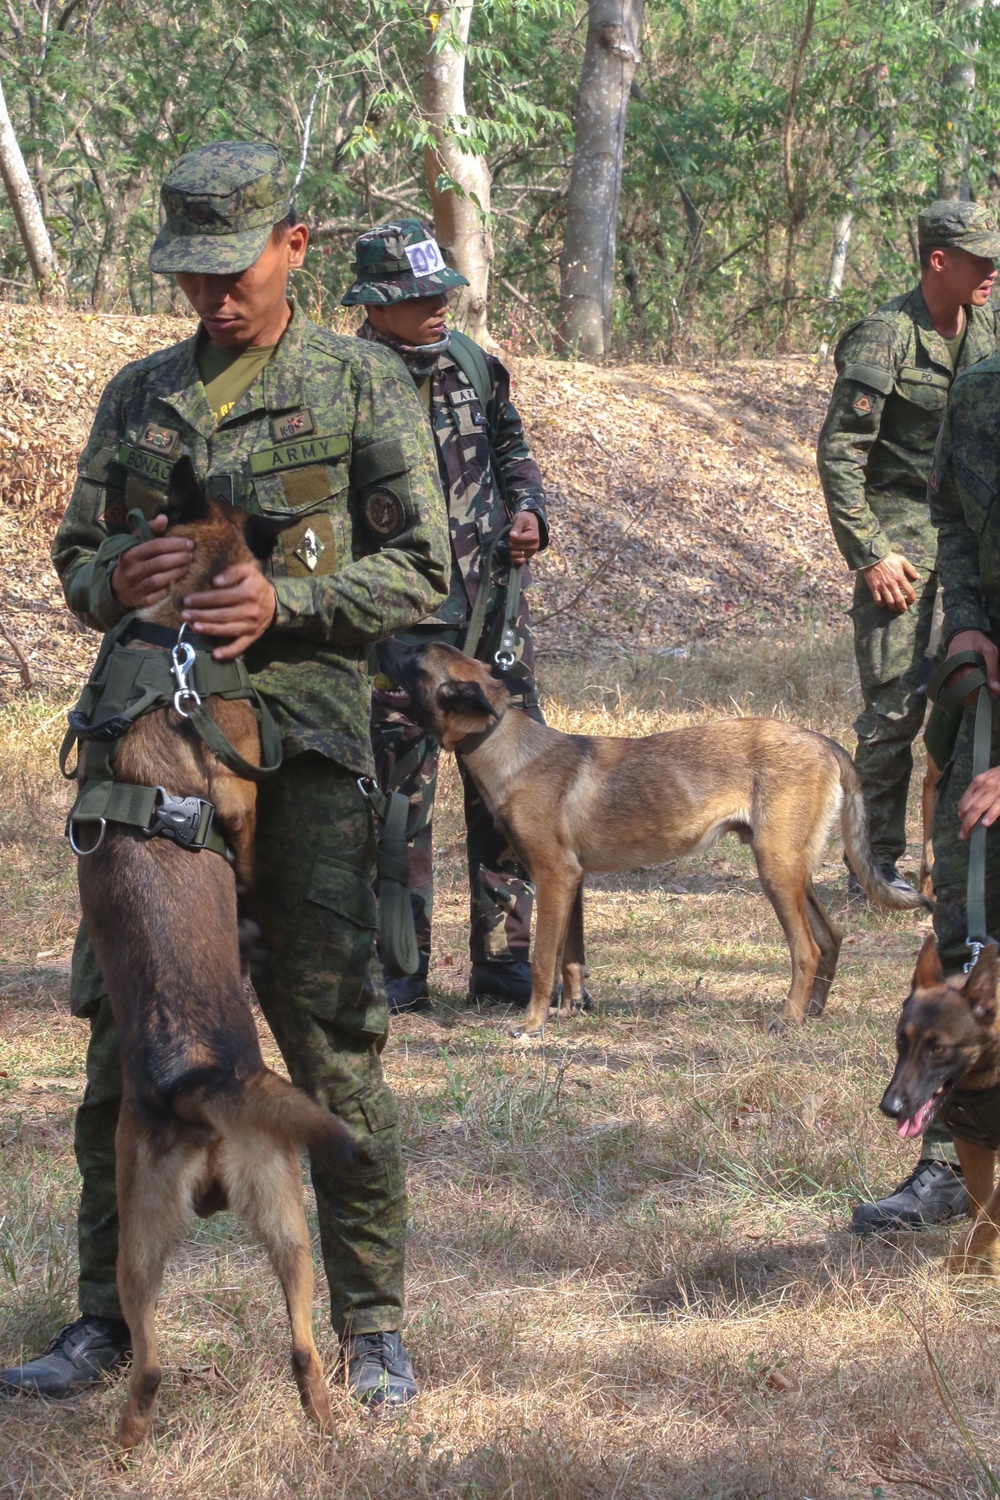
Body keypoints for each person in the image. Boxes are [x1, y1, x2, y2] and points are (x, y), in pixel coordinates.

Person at [0, 143, 450, 1407]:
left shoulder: (360, 383)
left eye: (232, 270)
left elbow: (426, 571)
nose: (213, 298)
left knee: (328, 1034)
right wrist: (114, 583)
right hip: (148, 761)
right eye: (191, 277)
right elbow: (78, 555)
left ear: (295, 246)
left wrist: (292, 599)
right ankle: (103, 1321)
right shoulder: (139, 395)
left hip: (298, 749)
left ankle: (368, 1328)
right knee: (124, 1043)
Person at [817, 200, 1000, 1233]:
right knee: (968, 914)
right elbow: (955, 530)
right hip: (977, 656)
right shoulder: (975, 392)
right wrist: (966, 624)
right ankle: (953, 1158)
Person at [341, 219, 551, 1014]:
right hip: (403, 636)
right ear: (375, 304)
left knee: (516, 792)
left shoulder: (473, 363)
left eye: (440, 293)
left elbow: (513, 452)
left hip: (494, 622)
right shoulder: (345, 380)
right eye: (416, 297)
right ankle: (398, 969)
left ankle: (509, 963)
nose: (434, 308)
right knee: (399, 803)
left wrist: (530, 512)